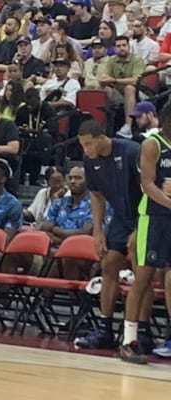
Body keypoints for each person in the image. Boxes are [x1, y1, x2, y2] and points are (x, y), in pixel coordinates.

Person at [74, 120, 154, 353]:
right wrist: (98, 230)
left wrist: (139, 229)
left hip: (145, 214)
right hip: (119, 216)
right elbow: (96, 196)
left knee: (142, 272)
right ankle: (105, 328)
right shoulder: (90, 160)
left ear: (101, 137)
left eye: (89, 144)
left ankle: (142, 331)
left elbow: (150, 189)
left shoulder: (130, 152)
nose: (86, 150)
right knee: (108, 263)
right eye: (82, 145)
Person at [119, 102, 171, 364]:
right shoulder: (153, 144)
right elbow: (147, 185)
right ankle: (129, 341)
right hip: (153, 218)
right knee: (143, 280)